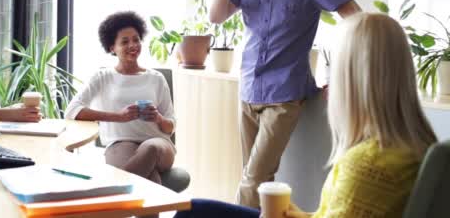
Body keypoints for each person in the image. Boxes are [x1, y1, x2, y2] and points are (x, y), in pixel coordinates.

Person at [175, 13, 438, 218]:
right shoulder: (419, 148)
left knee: (195, 213)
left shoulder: (368, 164)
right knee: (199, 210)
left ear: (351, 80)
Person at [209, 0, 362, 207]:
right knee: (259, 180)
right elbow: (215, 16)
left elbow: (357, 20)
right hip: (249, 88)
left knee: (252, 179)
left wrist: (341, 75)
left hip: (285, 94)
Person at [65, 11, 176, 185]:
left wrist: (159, 118)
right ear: (112, 48)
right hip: (119, 144)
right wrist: (118, 117)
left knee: (150, 148)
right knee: (151, 181)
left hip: (159, 144)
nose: (133, 45)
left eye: (136, 39)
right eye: (125, 42)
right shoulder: (103, 77)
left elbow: (171, 126)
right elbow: (72, 110)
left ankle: (107, 192)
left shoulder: (156, 78)